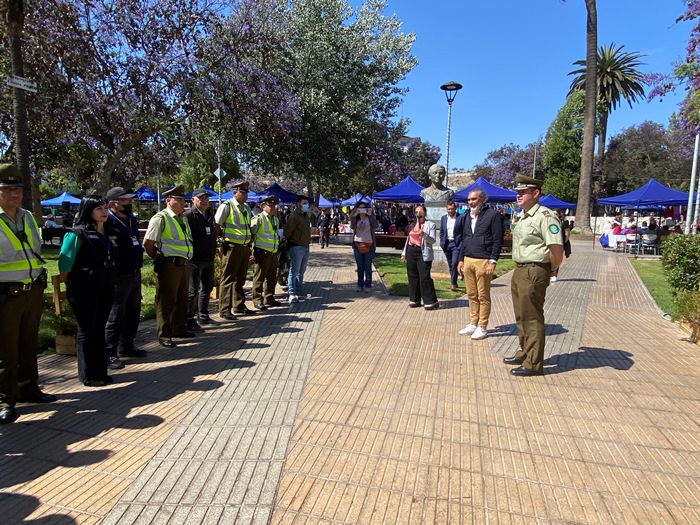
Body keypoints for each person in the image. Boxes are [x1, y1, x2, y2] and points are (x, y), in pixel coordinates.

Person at [0, 164, 56, 424]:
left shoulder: (27, 217)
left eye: (18, 189)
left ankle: (28, 388)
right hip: (5, 293)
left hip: (31, 289)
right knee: (5, 348)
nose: (15, 194)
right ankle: (4, 399)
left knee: (27, 343)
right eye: (8, 189)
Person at [503, 175, 564, 377]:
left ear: (535, 194)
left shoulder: (545, 216)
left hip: (534, 269)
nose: (518, 195)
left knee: (532, 318)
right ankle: (525, 352)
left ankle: (533, 363)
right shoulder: (523, 215)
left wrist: (551, 269)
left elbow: (556, 249)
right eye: (517, 191)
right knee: (521, 316)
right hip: (520, 269)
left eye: (523, 192)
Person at [59, 195, 119, 386]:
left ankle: (100, 371)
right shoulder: (77, 234)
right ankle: (88, 374)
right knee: (87, 330)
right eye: (98, 209)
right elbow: (64, 265)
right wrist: (74, 283)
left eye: (105, 208)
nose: (104, 212)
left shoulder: (108, 232)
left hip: (105, 287)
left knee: (99, 329)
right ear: (88, 212)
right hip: (83, 290)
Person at [143, 185, 194, 348]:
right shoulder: (160, 218)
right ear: (168, 201)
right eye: (178, 200)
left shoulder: (183, 218)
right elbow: (148, 243)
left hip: (184, 263)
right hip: (169, 264)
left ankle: (179, 328)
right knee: (166, 301)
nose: (182, 203)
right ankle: (164, 335)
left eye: (183, 200)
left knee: (181, 299)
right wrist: (158, 258)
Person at [104, 187, 145, 371]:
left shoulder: (131, 219)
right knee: (116, 314)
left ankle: (127, 345)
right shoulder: (108, 221)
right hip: (119, 276)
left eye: (130, 200)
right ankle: (110, 352)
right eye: (125, 200)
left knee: (134, 310)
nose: (129, 203)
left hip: (135, 272)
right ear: (113, 202)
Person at [456, 189, 504, 340]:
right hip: (468, 259)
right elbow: (464, 238)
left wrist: (493, 261)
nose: (470, 202)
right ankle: (473, 323)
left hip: (483, 260)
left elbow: (498, 240)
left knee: (483, 295)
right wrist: (461, 259)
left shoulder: (493, 215)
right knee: (471, 294)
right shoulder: (466, 217)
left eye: (474, 199)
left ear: (483, 199)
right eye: (469, 200)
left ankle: (482, 326)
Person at [215, 180, 254, 319]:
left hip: (243, 247)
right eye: (242, 193)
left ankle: (239, 305)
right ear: (234, 192)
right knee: (228, 278)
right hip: (231, 247)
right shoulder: (227, 206)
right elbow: (217, 225)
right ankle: (225, 309)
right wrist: (222, 241)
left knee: (241, 278)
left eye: (246, 193)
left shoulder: (246, 208)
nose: (245, 196)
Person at [184, 188, 219, 331]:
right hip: (195, 260)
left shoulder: (210, 214)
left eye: (206, 198)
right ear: (193, 200)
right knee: (192, 291)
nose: (205, 200)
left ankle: (203, 315)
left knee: (207, 288)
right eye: (201, 198)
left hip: (209, 258)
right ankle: (189, 319)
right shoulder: (188, 216)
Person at [401, 204, 439, 310]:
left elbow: (432, 240)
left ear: (425, 213)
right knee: (412, 276)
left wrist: (424, 235)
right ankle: (415, 299)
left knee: (424, 277)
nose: (418, 214)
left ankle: (430, 301)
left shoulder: (430, 225)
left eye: (421, 212)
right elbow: (408, 240)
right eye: (416, 212)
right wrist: (404, 253)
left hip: (423, 252)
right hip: (411, 250)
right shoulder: (412, 225)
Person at [250, 195, 282, 309]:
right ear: (263, 207)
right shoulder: (258, 218)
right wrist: (251, 252)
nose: (273, 208)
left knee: (272, 278)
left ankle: (269, 297)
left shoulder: (275, 219)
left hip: (273, 252)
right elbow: (251, 234)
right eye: (270, 206)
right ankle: (257, 300)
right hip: (262, 252)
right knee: (259, 277)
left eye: (274, 206)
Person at [283, 195, 312, 303]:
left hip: (305, 246)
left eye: (307, 203)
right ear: (298, 204)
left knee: (301, 270)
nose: (306, 205)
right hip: (296, 246)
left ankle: (299, 290)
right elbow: (288, 231)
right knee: (294, 271)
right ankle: (291, 293)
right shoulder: (294, 216)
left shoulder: (305, 216)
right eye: (304, 203)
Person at [350, 201, 379, 292]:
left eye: (364, 208)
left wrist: (370, 215)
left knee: (367, 265)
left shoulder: (369, 218)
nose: (362, 210)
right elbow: (352, 226)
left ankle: (368, 285)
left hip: (369, 244)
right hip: (357, 244)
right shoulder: (356, 218)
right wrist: (355, 215)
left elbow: (375, 225)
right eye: (360, 208)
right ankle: (360, 284)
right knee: (360, 266)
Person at [439, 201, 462, 292]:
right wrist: (442, 242)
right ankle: (454, 280)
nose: (450, 211)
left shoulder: (460, 217)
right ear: (446, 209)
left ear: (455, 209)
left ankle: (453, 283)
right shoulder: (444, 218)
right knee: (450, 264)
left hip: (456, 244)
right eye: (448, 209)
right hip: (447, 244)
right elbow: (442, 231)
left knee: (454, 263)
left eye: (452, 209)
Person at [550, 209, 572, 283]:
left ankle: (554, 275)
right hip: (550, 243)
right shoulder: (549, 222)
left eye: (556, 214)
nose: (554, 215)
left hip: (559, 243)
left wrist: (562, 243)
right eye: (553, 214)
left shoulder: (563, 223)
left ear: (559, 215)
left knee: (556, 259)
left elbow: (567, 233)